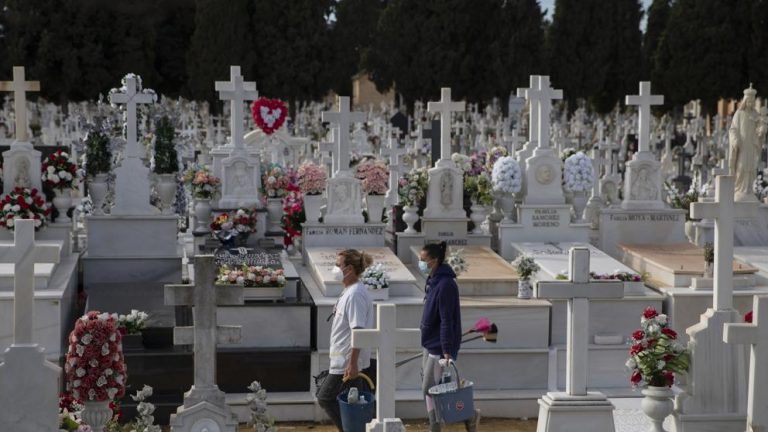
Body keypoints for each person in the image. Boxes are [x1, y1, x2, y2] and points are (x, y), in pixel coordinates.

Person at [418, 241, 480, 432]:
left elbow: (447, 319)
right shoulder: (434, 280)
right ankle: (441, 423)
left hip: (438, 345)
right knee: (432, 387)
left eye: (423, 260)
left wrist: (446, 349)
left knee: (428, 388)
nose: (421, 263)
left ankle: (460, 418)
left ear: (434, 260)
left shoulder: (445, 285)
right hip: (430, 342)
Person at [316, 249, 376, 431]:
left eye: (338, 265)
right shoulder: (349, 291)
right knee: (353, 404)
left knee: (325, 398)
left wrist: (353, 363)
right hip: (343, 358)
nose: (335, 269)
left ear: (349, 269)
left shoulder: (355, 294)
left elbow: (357, 330)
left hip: (347, 361)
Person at [728, 84, 766, 202]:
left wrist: (761, 131)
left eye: (753, 102)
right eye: (749, 101)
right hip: (742, 145)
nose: (751, 104)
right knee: (741, 167)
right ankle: (739, 190)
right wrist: (735, 140)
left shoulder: (756, 115)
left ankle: (749, 190)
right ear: (745, 101)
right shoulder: (739, 114)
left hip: (752, 145)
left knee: (751, 168)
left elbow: (760, 129)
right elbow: (733, 129)